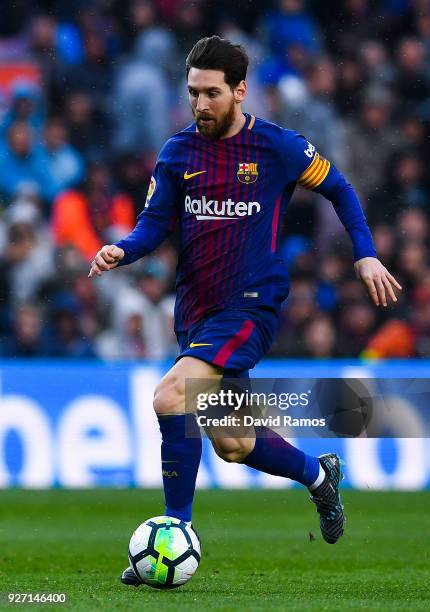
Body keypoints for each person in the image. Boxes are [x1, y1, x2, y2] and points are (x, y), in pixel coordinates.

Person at [87, 36, 402, 585]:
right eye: (192, 93)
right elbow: (154, 224)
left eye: (211, 93)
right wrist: (124, 249)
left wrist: (366, 255)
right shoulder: (176, 154)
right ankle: (318, 477)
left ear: (239, 91)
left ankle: (174, 531)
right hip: (197, 310)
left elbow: (341, 188)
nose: (200, 105)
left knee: (172, 397)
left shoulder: (279, 148)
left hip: (250, 305)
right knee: (234, 443)